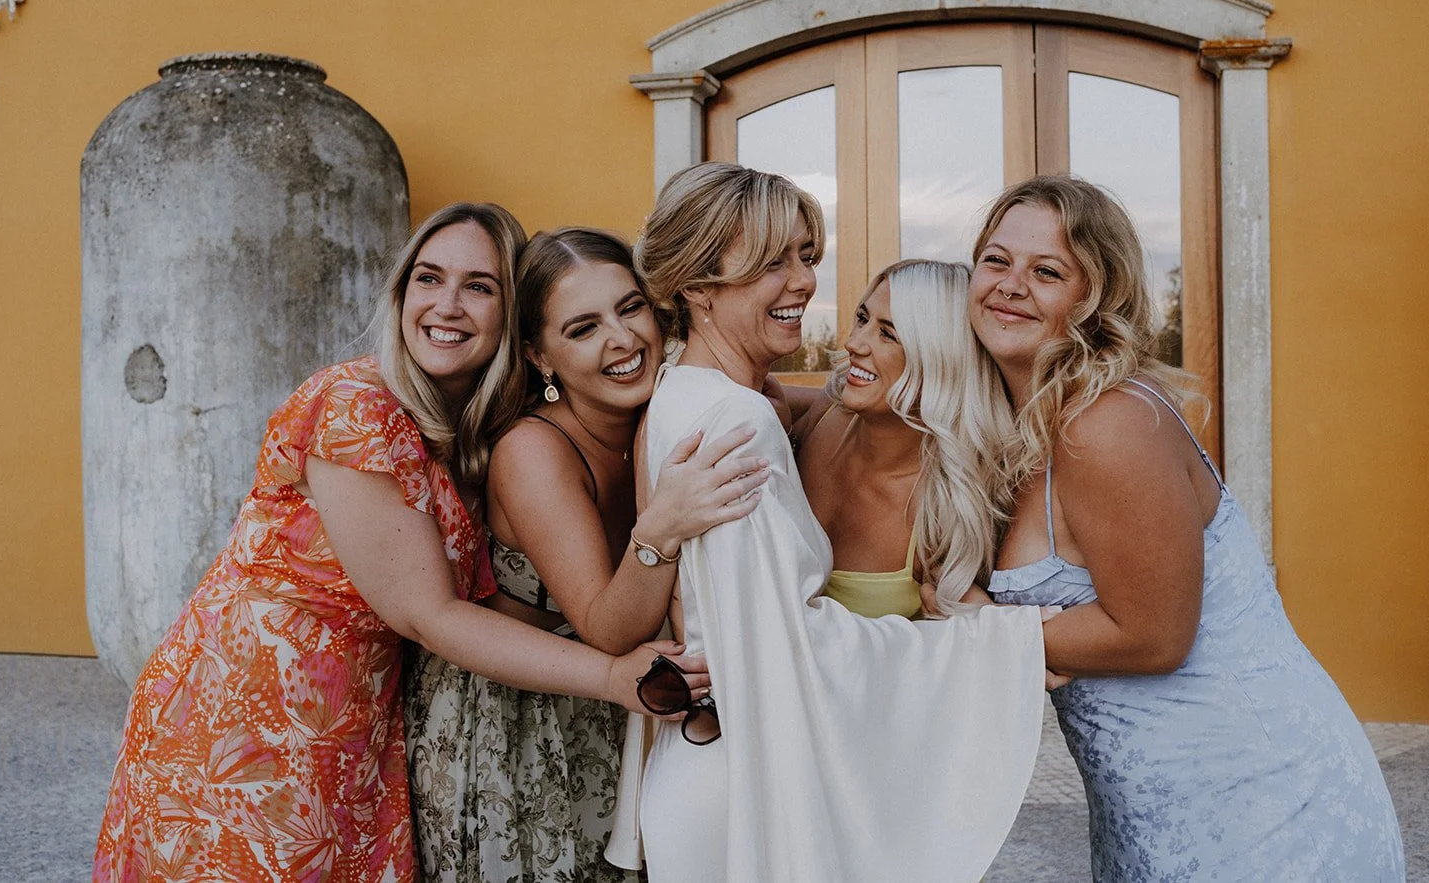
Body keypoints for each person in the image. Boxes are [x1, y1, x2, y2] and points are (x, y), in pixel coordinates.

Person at [93, 203, 702, 883]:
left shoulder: (474, 419)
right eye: (428, 278)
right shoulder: (357, 402)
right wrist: (612, 677)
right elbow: (427, 611)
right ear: (401, 293)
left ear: (514, 318)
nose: (447, 303)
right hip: (246, 716)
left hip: (360, 713)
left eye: (479, 285)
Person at [607, 162, 1049, 883]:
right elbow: (788, 643)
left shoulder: (689, 393)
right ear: (695, 286)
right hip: (739, 782)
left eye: (806, 256)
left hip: (712, 759)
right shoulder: (736, 419)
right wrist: (996, 646)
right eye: (771, 261)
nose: (806, 282)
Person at [973, 176, 1405, 881]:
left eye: (1046, 271)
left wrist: (972, 634)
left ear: (1094, 297)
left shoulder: (1106, 423)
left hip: (1262, 810)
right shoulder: (1021, 424)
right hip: (1155, 814)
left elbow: (1153, 634)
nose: (1010, 284)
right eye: (996, 260)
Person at [404, 227, 765, 883]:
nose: (621, 340)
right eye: (584, 328)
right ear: (542, 356)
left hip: (620, 695)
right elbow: (608, 625)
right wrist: (660, 528)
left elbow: (798, 411)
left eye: (629, 309)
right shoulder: (531, 451)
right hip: (510, 711)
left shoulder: (672, 406)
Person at [789, 259, 1014, 620]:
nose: (853, 343)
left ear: (939, 360)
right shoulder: (829, 409)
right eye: (863, 319)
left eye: (888, 334)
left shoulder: (942, 511)